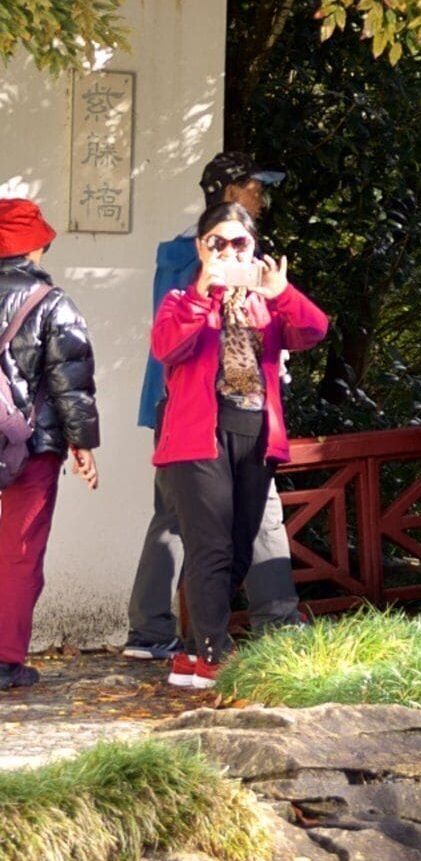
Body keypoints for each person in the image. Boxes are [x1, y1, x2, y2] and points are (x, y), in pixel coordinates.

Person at [127, 152, 303, 658]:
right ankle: (274, 620)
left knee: (174, 518)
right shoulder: (194, 257)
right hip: (193, 408)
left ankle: (151, 629)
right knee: (251, 513)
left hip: (201, 407)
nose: (261, 198)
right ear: (229, 192)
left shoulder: (189, 251)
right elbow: (174, 332)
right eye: (254, 187)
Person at [150, 201, 329, 689]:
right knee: (210, 547)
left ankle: (191, 653)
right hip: (197, 437)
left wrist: (282, 291)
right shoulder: (180, 299)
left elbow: (315, 330)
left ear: (254, 247)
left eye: (239, 243)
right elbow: (167, 346)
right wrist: (204, 291)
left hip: (254, 434)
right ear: (201, 248)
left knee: (240, 548)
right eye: (218, 243)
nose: (229, 251)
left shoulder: (265, 301)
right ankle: (213, 653)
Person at [0, 196, 102, 694]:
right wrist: (82, 444)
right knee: (19, 553)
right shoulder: (52, 303)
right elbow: (72, 383)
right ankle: (4, 660)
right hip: (30, 445)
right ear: (36, 245)